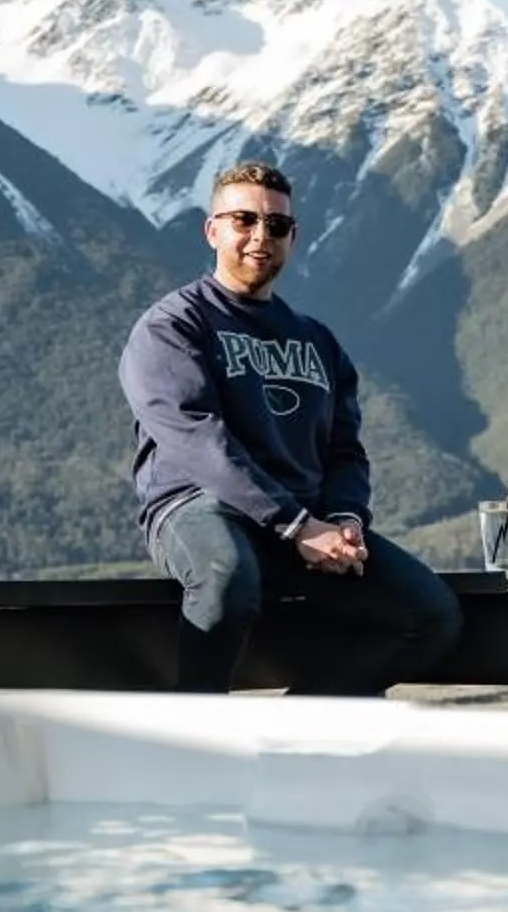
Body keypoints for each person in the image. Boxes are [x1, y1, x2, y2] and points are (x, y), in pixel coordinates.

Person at [119, 161, 463, 694]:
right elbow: (196, 441)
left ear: (293, 237)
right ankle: (195, 735)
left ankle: (301, 724)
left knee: (431, 616)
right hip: (201, 507)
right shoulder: (173, 325)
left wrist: (343, 521)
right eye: (243, 221)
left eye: (276, 226)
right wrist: (297, 525)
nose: (261, 236)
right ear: (213, 231)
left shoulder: (316, 341)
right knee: (229, 579)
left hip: (307, 524)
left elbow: (345, 449)